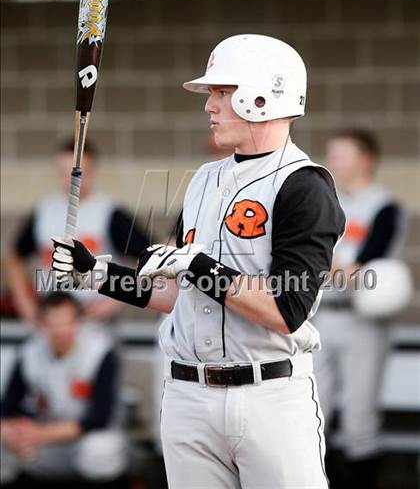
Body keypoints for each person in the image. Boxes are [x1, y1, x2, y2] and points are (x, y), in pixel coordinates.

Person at [51, 34, 346, 489]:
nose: (210, 105)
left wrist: (197, 265)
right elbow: (175, 294)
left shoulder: (304, 185)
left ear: (262, 95)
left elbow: (287, 311)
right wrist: (98, 274)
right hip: (188, 396)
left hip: (268, 396)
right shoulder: (205, 180)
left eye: (222, 93)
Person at [313, 130, 405, 488]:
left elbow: (362, 271)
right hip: (320, 316)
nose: (332, 162)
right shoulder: (325, 203)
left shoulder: (384, 206)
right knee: (313, 415)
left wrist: (326, 261)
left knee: (358, 421)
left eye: (340, 155)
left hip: (362, 320)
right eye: (331, 154)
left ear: (365, 160)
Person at [7, 139, 149, 325]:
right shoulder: (44, 211)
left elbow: (149, 260)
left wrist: (115, 300)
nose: (71, 179)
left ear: (92, 171)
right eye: (64, 172)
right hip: (52, 319)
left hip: (93, 320)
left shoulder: (109, 212)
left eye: (77, 172)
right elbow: (14, 257)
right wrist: (26, 305)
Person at [0, 291, 128, 486]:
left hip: (84, 439)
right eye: (53, 323)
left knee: (99, 451)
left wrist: (40, 433)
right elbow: (7, 407)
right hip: (44, 443)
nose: (60, 330)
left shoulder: (101, 351)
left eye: (66, 322)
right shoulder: (29, 352)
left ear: (79, 322)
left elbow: (100, 418)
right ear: (41, 323)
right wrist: (13, 431)